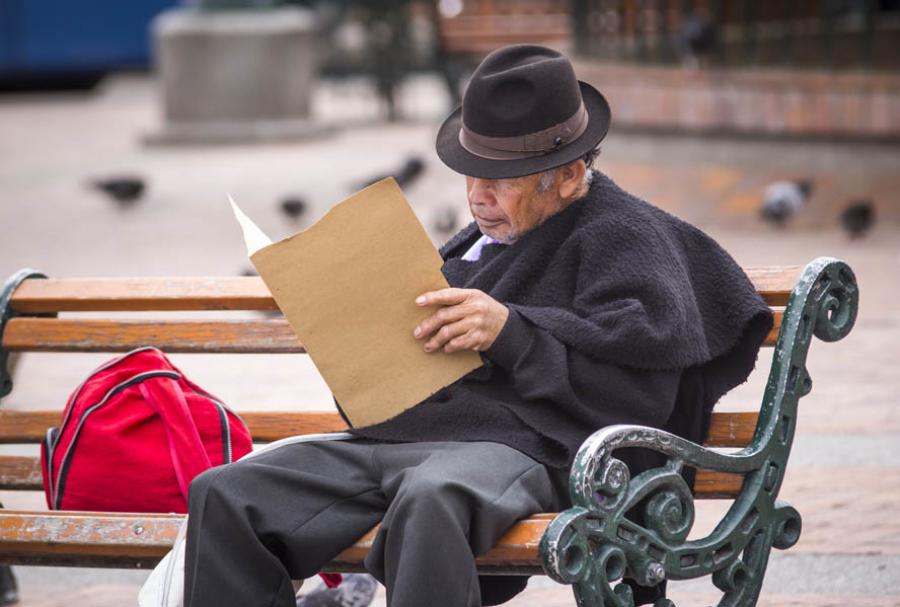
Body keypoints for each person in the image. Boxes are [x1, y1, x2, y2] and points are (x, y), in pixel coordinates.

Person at [183, 45, 773, 607]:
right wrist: (351, 340)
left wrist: (511, 334)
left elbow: (638, 396)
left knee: (433, 497)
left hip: (540, 449)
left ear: (567, 175)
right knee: (228, 495)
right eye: (470, 175)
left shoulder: (627, 238)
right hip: (411, 439)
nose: (477, 197)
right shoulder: (476, 243)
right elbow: (399, 374)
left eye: (501, 180)